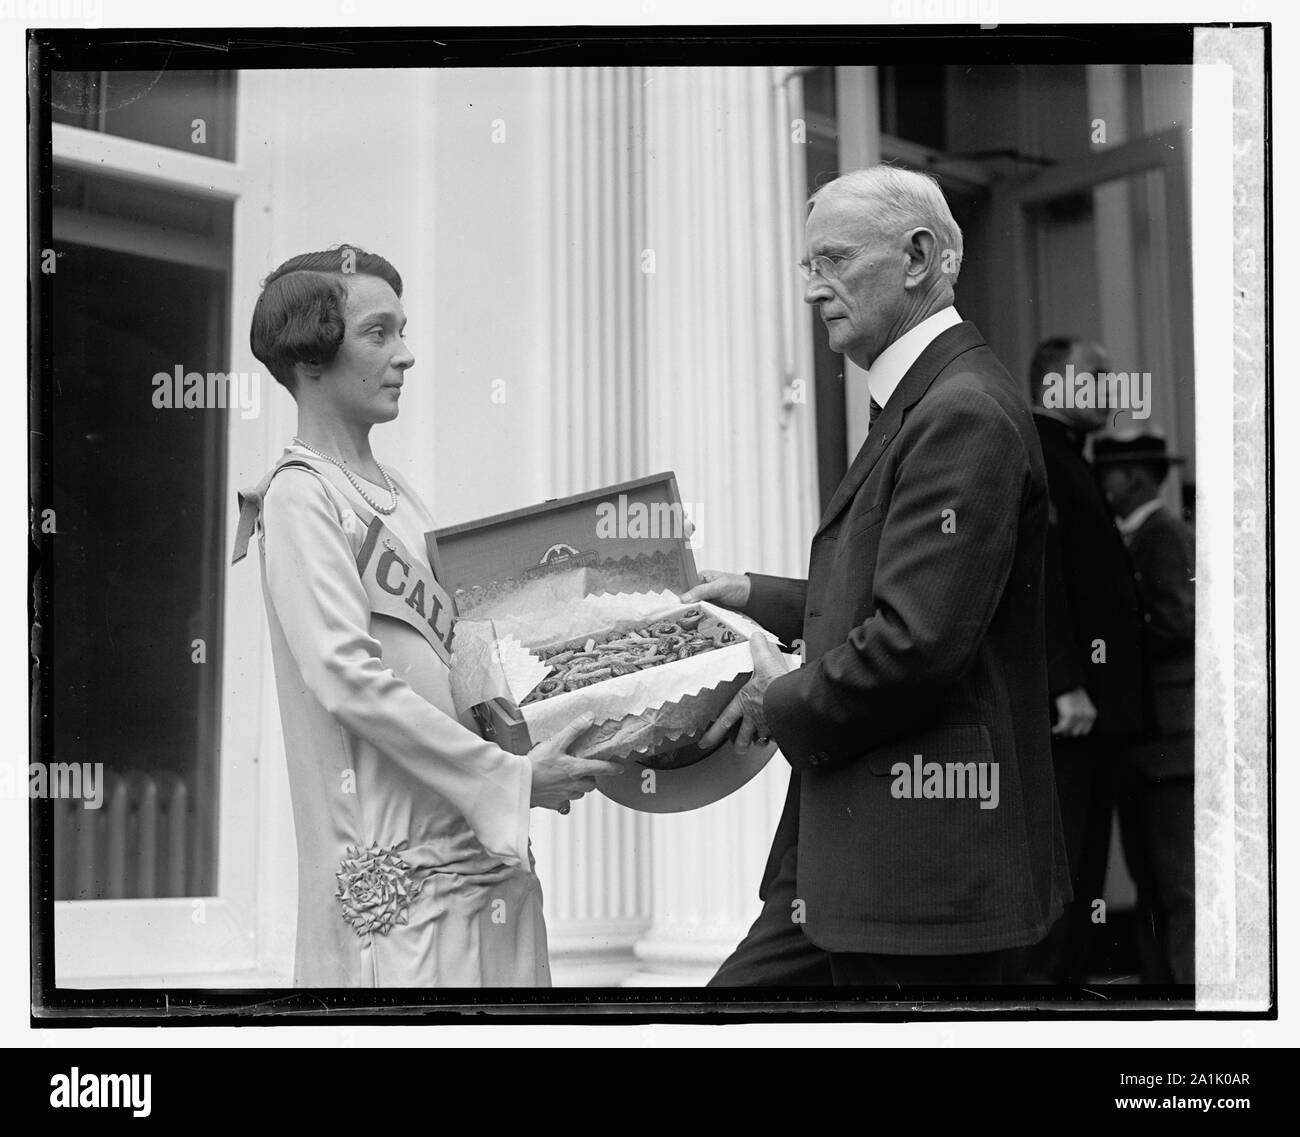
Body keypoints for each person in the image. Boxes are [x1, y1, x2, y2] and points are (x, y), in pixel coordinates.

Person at [685, 166, 1070, 986]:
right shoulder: (932, 396)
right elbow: (910, 592)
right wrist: (759, 596)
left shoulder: (959, 409)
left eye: (833, 261)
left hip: (923, 879)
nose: (812, 289)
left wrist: (772, 696)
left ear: (920, 257)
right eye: (808, 266)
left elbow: (915, 643)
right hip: (861, 857)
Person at [232, 246, 617, 987]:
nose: (405, 354)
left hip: (481, 866)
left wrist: (577, 701)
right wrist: (510, 779)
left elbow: (458, 658)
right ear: (310, 358)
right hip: (404, 902)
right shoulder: (299, 497)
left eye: (402, 331)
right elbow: (349, 680)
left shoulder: (397, 493)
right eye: (379, 333)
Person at [1024, 337, 1146, 984]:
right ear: (1054, 387)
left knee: (1081, 875)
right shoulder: (1042, 453)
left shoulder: (1069, 456)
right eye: (1097, 375)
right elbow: (1041, 578)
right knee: (1066, 881)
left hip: (1091, 714)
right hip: (1071, 714)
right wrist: (1068, 683)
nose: (1113, 387)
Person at [1094, 431, 1196, 985]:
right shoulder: (1141, 536)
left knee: (1176, 884)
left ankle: (1186, 999)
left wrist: (1112, 645)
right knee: (1154, 881)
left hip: (1169, 745)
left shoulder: (1163, 536)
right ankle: (1164, 993)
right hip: (1149, 745)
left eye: (1108, 472)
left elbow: (1179, 622)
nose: (1102, 482)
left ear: (1133, 476)